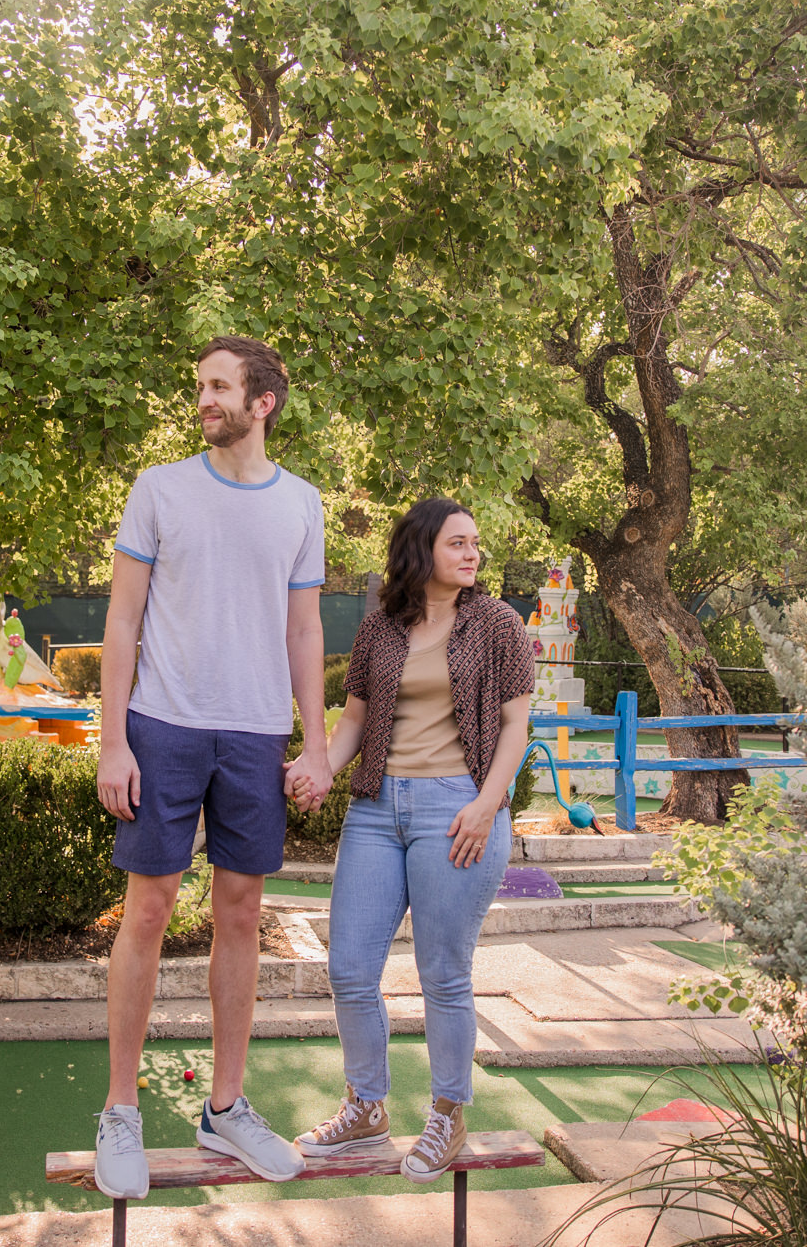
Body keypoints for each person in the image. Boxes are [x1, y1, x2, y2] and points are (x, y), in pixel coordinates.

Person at [91, 337, 334, 1199]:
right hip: (163, 725)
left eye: (219, 387)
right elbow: (122, 623)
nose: (204, 400)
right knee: (149, 908)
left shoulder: (301, 503)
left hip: (255, 733)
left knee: (241, 914)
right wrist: (112, 739)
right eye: (200, 386)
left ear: (262, 401)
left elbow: (305, 632)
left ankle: (226, 1108)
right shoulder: (160, 488)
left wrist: (315, 740)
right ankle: (120, 1109)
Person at [288, 498, 534, 1182]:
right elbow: (355, 722)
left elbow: (516, 725)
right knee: (349, 968)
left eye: (475, 543)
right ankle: (366, 1103)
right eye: (457, 542)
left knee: (443, 974)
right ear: (421, 550)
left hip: (458, 809)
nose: (472, 553)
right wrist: (320, 770)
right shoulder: (380, 630)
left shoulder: (498, 625)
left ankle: (448, 1113)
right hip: (376, 809)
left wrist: (489, 803)